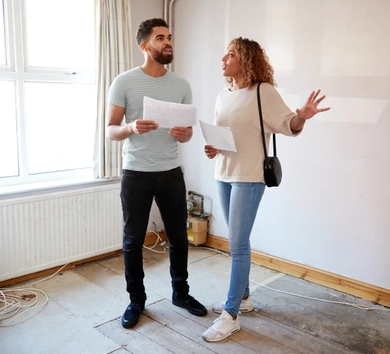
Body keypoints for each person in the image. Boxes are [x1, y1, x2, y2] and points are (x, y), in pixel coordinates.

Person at [201, 37, 331, 342]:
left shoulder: (263, 92)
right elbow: (228, 135)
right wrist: (213, 148)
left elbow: (288, 124)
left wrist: (303, 115)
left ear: (246, 61)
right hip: (223, 173)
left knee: (237, 244)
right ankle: (244, 298)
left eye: (231, 54)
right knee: (237, 240)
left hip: (249, 176)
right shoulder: (223, 95)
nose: (224, 58)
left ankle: (231, 315)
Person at [106, 18, 207, 329]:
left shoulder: (181, 86)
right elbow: (111, 130)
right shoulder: (123, 82)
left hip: (171, 172)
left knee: (179, 238)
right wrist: (131, 127)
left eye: (169, 37)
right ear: (144, 45)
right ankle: (136, 300)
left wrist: (183, 135)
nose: (168, 42)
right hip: (136, 174)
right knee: (133, 240)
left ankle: (181, 293)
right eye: (160, 37)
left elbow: (188, 133)